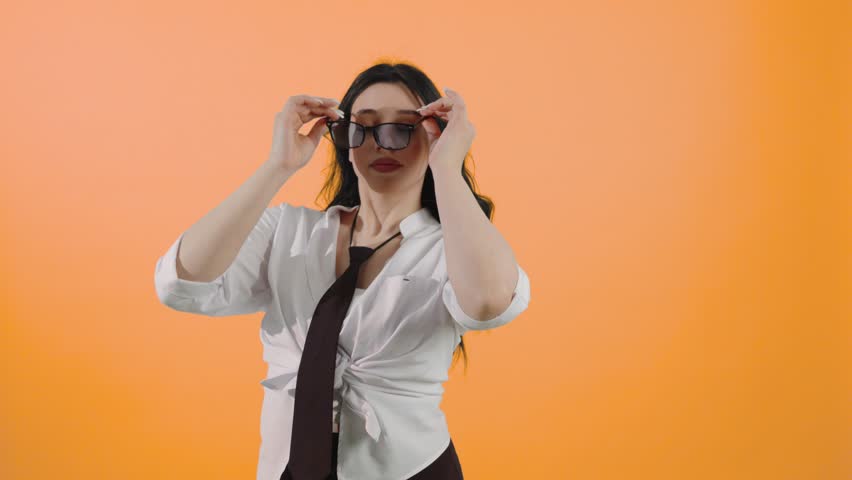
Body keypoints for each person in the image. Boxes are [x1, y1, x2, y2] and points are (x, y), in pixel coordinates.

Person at [154, 62, 531, 480]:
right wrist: (278, 166)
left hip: (412, 470)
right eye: (363, 128)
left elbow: (489, 303)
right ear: (343, 140)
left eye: (403, 128)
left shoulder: (454, 246)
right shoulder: (288, 232)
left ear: (433, 135)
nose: (382, 145)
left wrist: (446, 169)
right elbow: (181, 282)